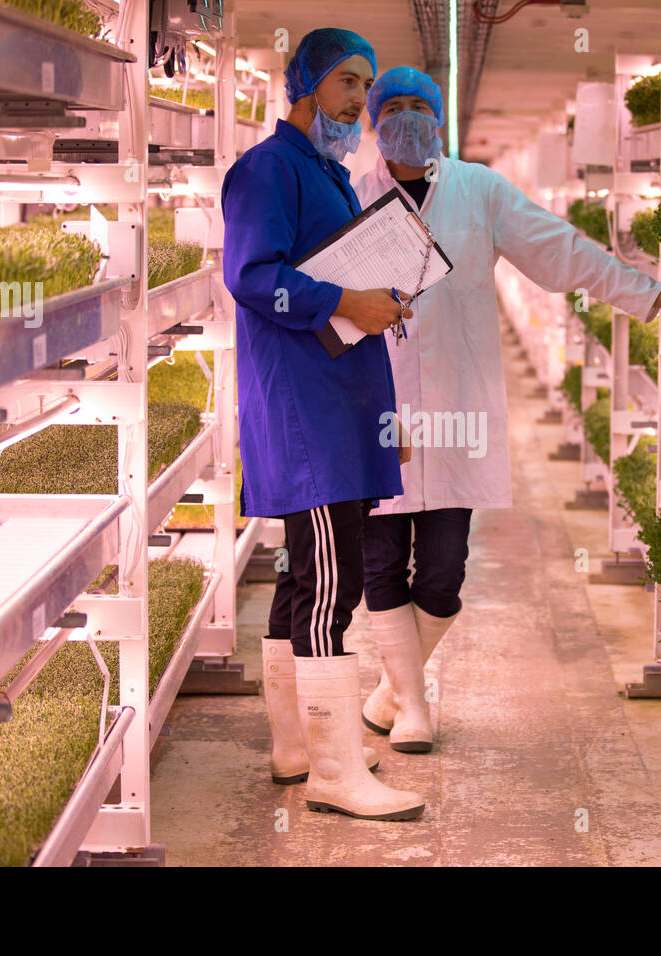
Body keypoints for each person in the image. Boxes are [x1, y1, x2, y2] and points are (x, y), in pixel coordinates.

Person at [353, 67, 661, 752]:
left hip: (457, 410)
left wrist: (646, 293)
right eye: (393, 107)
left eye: (422, 107)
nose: (409, 118)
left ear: (442, 120)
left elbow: (556, 248)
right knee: (381, 563)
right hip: (376, 409)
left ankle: (395, 689)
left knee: (445, 570)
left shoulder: (478, 190)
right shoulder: (351, 196)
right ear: (371, 121)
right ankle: (416, 709)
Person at [220, 30, 425, 821]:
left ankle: (300, 745)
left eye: (364, 86)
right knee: (329, 588)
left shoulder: (325, 174)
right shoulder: (268, 170)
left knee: (304, 578)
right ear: (304, 84)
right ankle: (336, 776)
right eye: (346, 81)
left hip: (340, 408)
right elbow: (252, 277)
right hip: (307, 413)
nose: (357, 100)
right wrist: (343, 301)